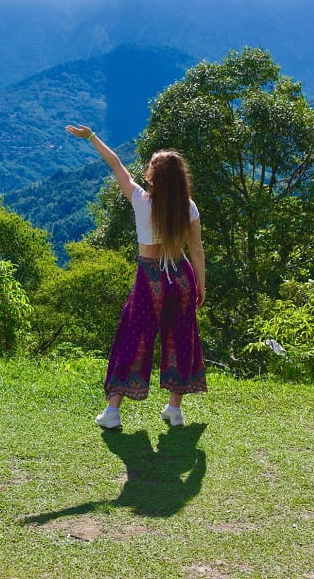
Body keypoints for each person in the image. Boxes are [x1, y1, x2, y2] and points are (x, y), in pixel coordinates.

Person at [65, 125, 207, 428]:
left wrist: (91, 137)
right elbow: (197, 251)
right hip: (182, 279)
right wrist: (201, 286)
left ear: (154, 176)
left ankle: (113, 413)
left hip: (150, 280)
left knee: (133, 338)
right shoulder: (189, 208)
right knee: (179, 339)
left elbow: (115, 163)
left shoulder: (141, 200)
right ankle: (174, 410)